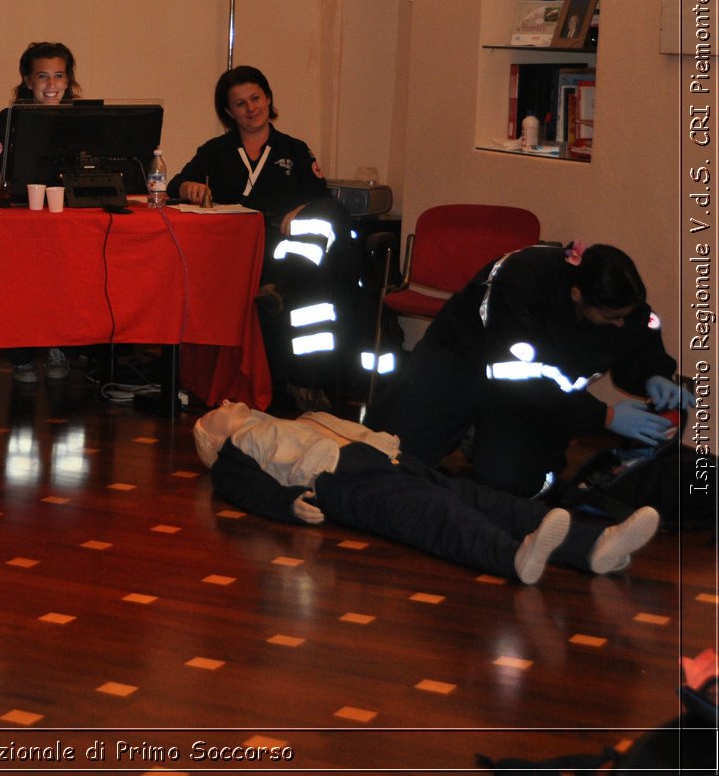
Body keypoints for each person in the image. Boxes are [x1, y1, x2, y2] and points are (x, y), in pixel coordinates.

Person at [194, 401, 662, 584]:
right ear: (211, 442)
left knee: (481, 499)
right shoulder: (236, 451)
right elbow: (240, 486)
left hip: (389, 460)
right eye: (217, 411)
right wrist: (284, 504)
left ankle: (593, 546)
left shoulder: (289, 419)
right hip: (341, 481)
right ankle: (509, 557)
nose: (230, 403)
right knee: (435, 515)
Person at [369, 242, 689, 498]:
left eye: (624, 315)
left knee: (511, 481)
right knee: (389, 457)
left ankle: (479, 437)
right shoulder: (523, 283)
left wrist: (654, 373)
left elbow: (636, 336)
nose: (619, 323)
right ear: (577, 295)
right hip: (460, 361)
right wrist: (606, 417)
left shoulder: (618, 299)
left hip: (531, 394)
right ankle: (464, 426)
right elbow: (522, 379)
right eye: (610, 317)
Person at [168, 66, 360, 408]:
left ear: (269, 99)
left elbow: (321, 199)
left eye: (256, 98)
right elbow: (175, 183)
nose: (251, 108)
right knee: (316, 281)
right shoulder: (216, 150)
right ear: (229, 112)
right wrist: (189, 186)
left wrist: (301, 209)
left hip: (286, 247)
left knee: (333, 217)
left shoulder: (295, 149)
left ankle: (283, 291)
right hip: (236, 252)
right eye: (240, 103)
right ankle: (282, 291)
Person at [0, 41, 81, 383]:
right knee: (23, 285)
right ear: (28, 81)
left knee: (63, 282)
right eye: (42, 76)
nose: (51, 84)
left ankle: (59, 344)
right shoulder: (11, 116)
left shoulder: (78, 116)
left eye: (59, 75)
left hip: (64, 214)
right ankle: (22, 353)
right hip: (22, 216)